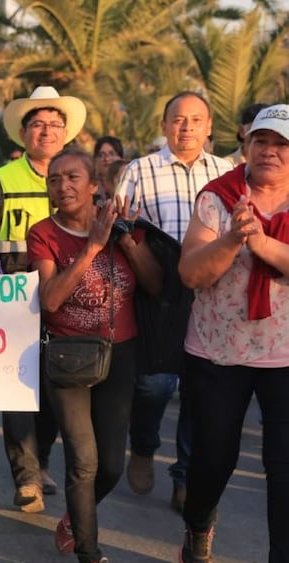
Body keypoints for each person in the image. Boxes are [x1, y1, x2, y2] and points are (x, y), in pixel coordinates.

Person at [175, 104, 289, 563]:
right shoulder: (217, 199)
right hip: (219, 351)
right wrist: (231, 238)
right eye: (263, 140)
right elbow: (191, 273)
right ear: (246, 145)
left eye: (282, 144)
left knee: (285, 468)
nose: (271, 151)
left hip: (284, 356)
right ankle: (199, 523)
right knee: (214, 459)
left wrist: (262, 241)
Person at [29, 148, 161, 563]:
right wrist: (91, 249)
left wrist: (124, 242)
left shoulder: (123, 224)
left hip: (120, 355)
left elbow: (155, 283)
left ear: (93, 186)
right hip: (68, 356)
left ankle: (72, 519)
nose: (62, 186)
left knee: (110, 466)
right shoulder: (43, 234)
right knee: (82, 462)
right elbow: (50, 300)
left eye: (72, 178)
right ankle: (89, 562)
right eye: (54, 179)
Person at [115, 92, 233, 511]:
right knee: (156, 382)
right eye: (178, 120)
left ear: (209, 126)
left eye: (195, 120)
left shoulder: (228, 172)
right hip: (158, 289)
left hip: (214, 289)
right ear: (164, 125)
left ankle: (184, 474)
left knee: (200, 387)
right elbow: (122, 225)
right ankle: (144, 444)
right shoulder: (140, 170)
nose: (186, 128)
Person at [0, 85, 86, 512]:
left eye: (54, 125)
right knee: (16, 386)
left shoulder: (76, 179)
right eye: (37, 124)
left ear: (66, 134)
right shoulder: (1, 180)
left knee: (57, 385)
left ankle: (40, 461)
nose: (46, 131)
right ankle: (26, 477)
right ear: (23, 133)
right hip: (14, 298)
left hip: (66, 298)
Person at [92, 137, 124, 201]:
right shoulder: (91, 188)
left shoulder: (130, 184)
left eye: (112, 154)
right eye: (101, 155)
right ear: (95, 159)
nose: (107, 159)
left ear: (121, 158)